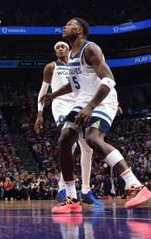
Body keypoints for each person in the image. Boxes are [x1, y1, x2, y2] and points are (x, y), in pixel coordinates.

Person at [40, 18, 151, 213]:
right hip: (82, 99)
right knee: (65, 139)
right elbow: (76, 84)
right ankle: (71, 198)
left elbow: (109, 80)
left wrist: (91, 107)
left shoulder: (90, 49)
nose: (64, 27)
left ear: (80, 30)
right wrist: (54, 95)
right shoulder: (73, 54)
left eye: (69, 24)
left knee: (92, 138)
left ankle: (135, 185)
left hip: (102, 98)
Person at [35, 41, 102, 207]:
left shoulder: (76, 65)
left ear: (68, 49)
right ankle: (62, 189)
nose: (59, 49)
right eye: (56, 47)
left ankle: (86, 191)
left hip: (78, 105)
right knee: (69, 142)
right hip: (61, 106)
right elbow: (43, 92)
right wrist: (40, 113)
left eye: (62, 46)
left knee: (87, 147)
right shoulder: (51, 67)